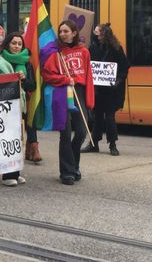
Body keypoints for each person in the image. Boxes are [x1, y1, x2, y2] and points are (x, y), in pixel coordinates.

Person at [42, 20, 94, 185]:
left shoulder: (84, 51)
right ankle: (67, 172)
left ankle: (72, 163)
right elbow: (47, 75)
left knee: (81, 132)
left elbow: (89, 76)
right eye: (60, 31)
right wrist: (65, 79)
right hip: (61, 93)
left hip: (78, 91)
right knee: (65, 134)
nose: (63, 34)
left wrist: (90, 99)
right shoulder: (56, 51)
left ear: (74, 33)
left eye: (66, 31)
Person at [0, 32, 36, 186]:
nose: (16, 46)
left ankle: (15, 173)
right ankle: (7, 174)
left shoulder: (27, 63)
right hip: (3, 106)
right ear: (7, 44)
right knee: (7, 139)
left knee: (18, 140)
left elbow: (32, 86)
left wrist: (23, 79)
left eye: (19, 44)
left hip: (19, 107)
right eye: (13, 43)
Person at [82, 23, 129, 156]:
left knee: (109, 117)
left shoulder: (116, 48)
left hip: (111, 90)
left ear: (104, 35)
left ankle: (112, 144)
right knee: (96, 117)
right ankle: (93, 143)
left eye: (97, 32)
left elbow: (124, 67)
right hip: (97, 90)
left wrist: (118, 81)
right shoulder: (92, 48)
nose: (95, 34)